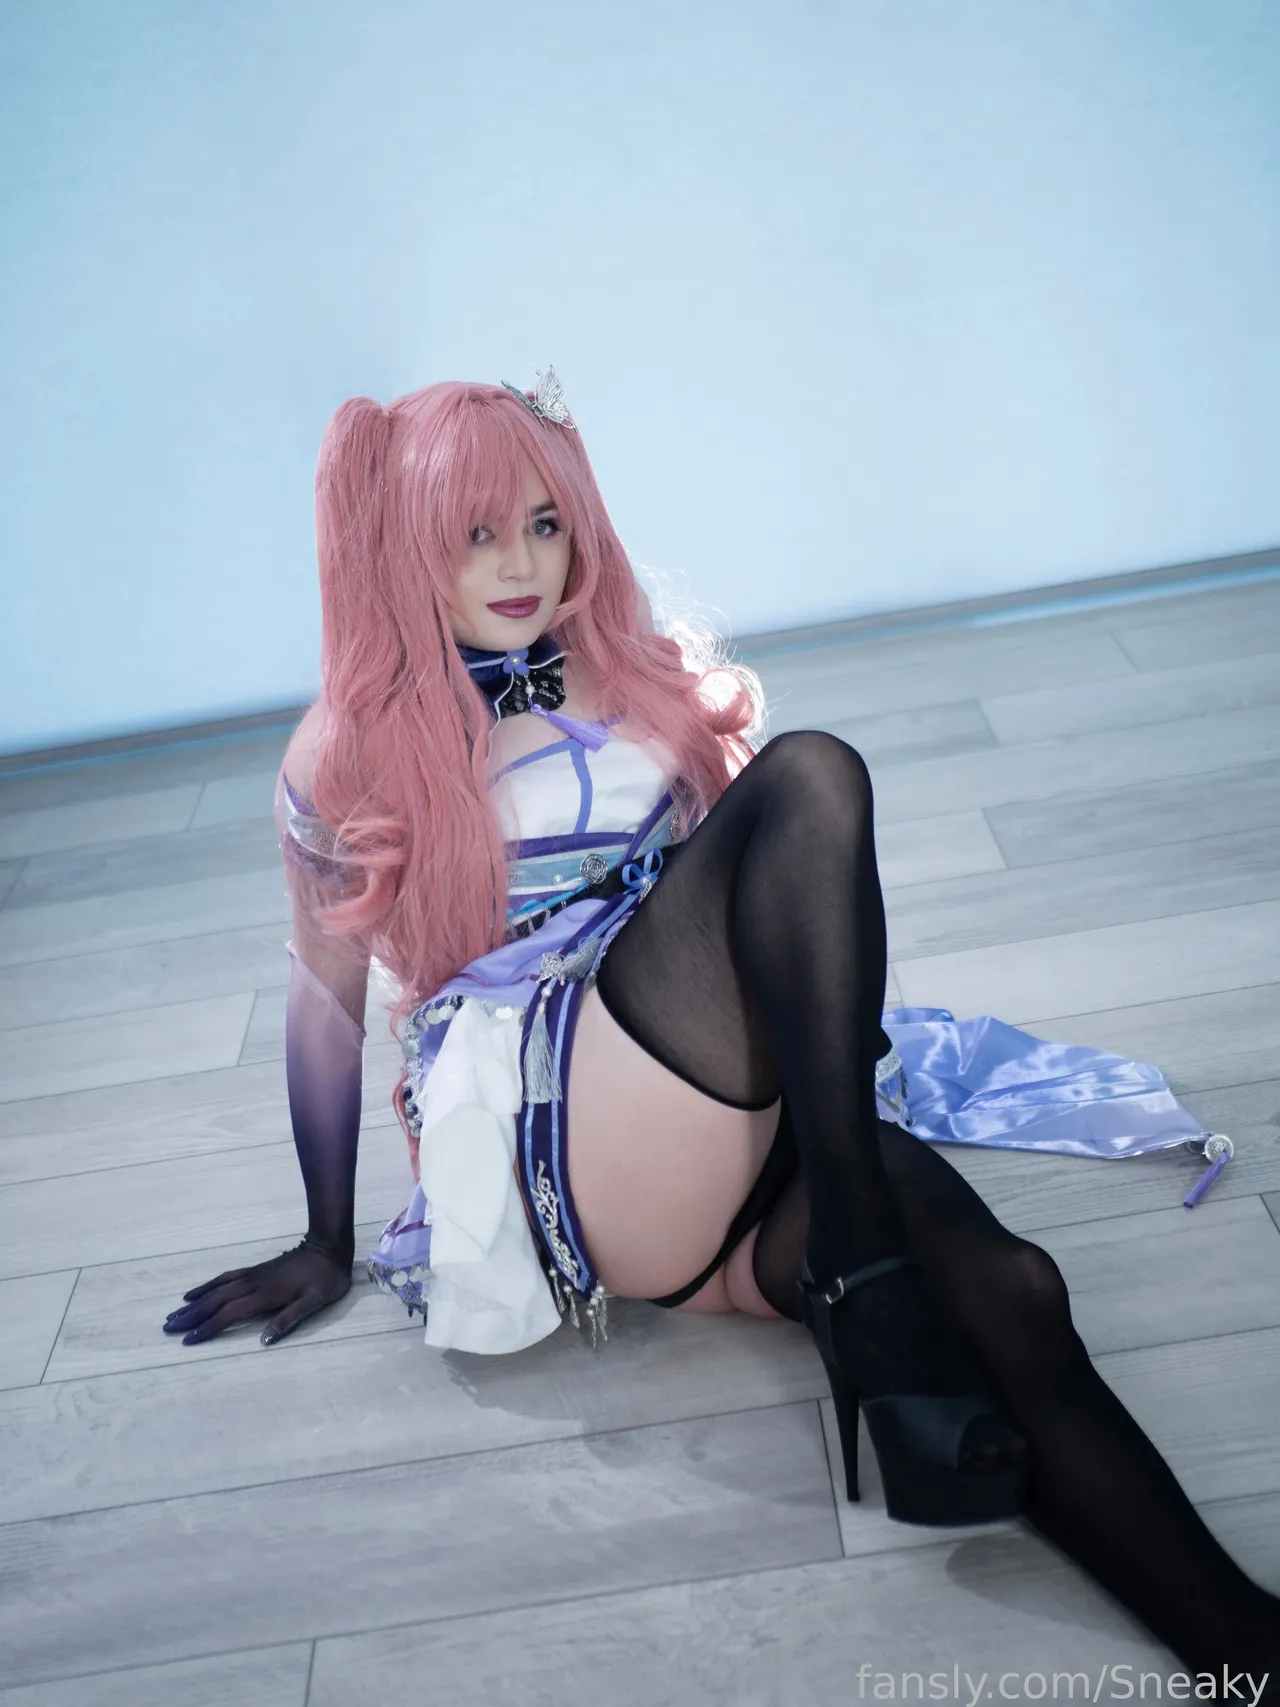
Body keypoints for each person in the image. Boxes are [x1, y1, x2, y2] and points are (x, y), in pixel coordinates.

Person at [163, 374, 1279, 1687]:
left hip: (732, 1147)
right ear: (406, 545)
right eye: (475, 534)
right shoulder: (345, 749)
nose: (520, 565)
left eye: (543, 523)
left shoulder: (638, 668)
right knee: (812, 776)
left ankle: (1238, 1643)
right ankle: (868, 1267)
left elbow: (766, 924)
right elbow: (322, 995)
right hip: (568, 1130)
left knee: (1016, 1289)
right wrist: (324, 1236)